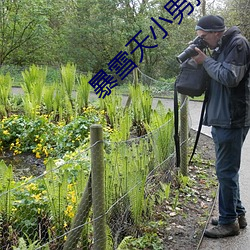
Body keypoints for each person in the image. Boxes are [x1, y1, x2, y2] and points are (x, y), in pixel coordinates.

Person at [192, 15, 250, 238]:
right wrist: (201, 60)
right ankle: (237, 214)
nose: (203, 41)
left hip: (232, 118)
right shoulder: (221, 46)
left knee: (225, 171)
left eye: (204, 37)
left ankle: (228, 223)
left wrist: (205, 60)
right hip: (222, 117)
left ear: (216, 32)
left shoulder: (238, 44)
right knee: (227, 171)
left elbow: (229, 77)